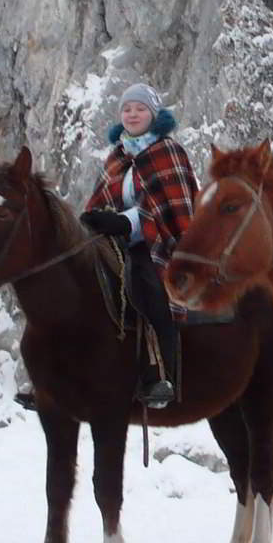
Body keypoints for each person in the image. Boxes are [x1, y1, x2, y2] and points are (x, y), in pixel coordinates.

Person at [76, 85, 197, 409]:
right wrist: (97, 219)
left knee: (152, 289)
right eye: (127, 108)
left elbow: (174, 208)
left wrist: (127, 223)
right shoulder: (117, 157)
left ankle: (160, 374)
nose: (132, 114)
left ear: (153, 114)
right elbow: (102, 200)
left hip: (157, 245)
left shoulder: (168, 152)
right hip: (113, 245)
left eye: (139, 108)